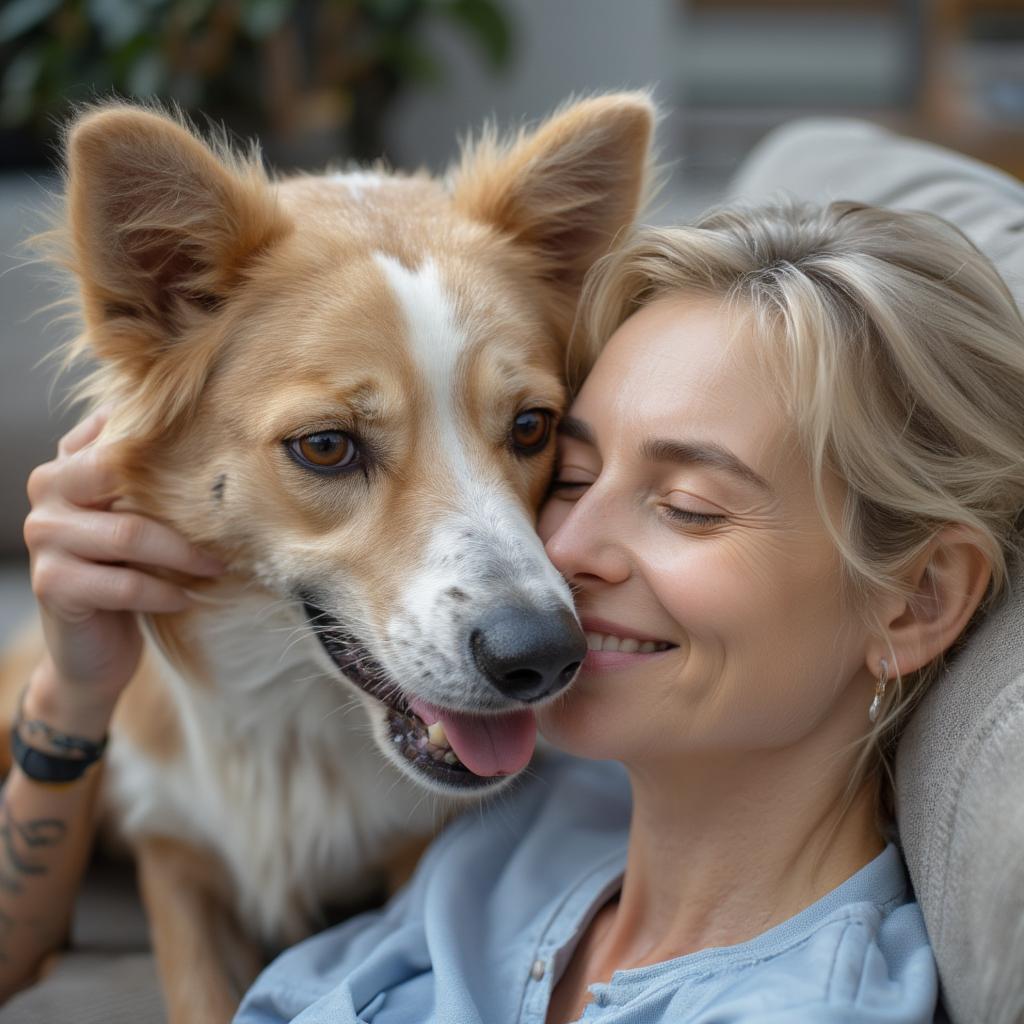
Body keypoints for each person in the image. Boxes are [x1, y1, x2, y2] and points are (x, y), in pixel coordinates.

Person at [6, 198, 1024, 1023]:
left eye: (688, 505)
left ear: (917, 599)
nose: (554, 558)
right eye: (567, 470)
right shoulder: (539, 796)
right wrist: (77, 688)